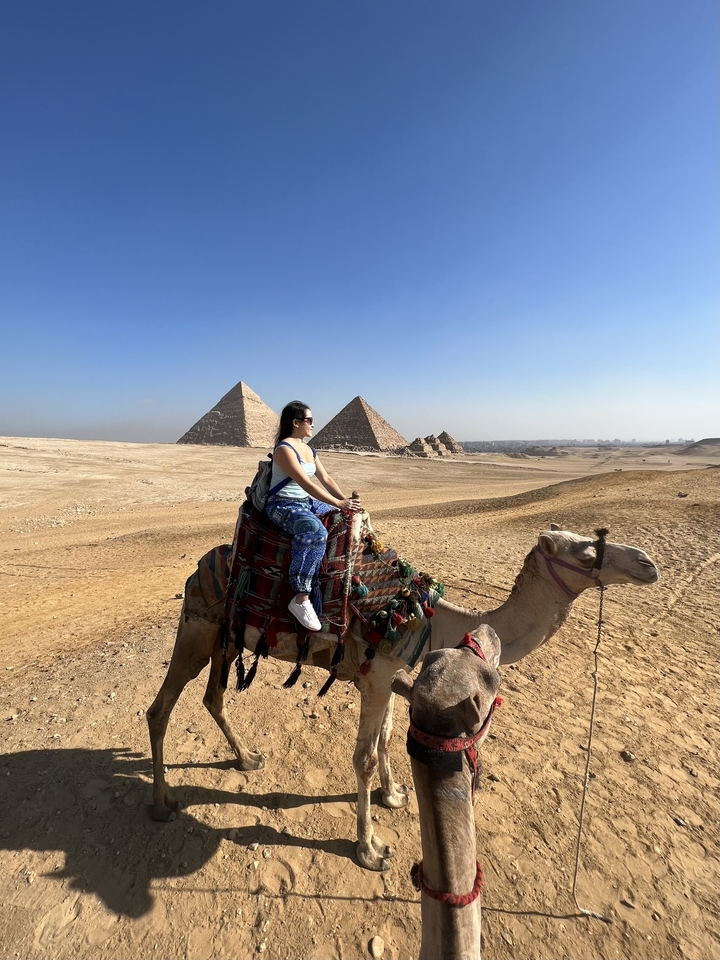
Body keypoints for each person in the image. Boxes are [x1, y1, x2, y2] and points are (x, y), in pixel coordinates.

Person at [265, 401, 361, 632]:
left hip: (306, 503)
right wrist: (337, 502)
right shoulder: (284, 450)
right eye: (308, 420)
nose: (313, 424)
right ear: (295, 423)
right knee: (315, 532)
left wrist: (347, 503)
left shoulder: (310, 450)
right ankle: (301, 598)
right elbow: (305, 483)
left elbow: (326, 480)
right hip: (283, 505)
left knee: (346, 518)